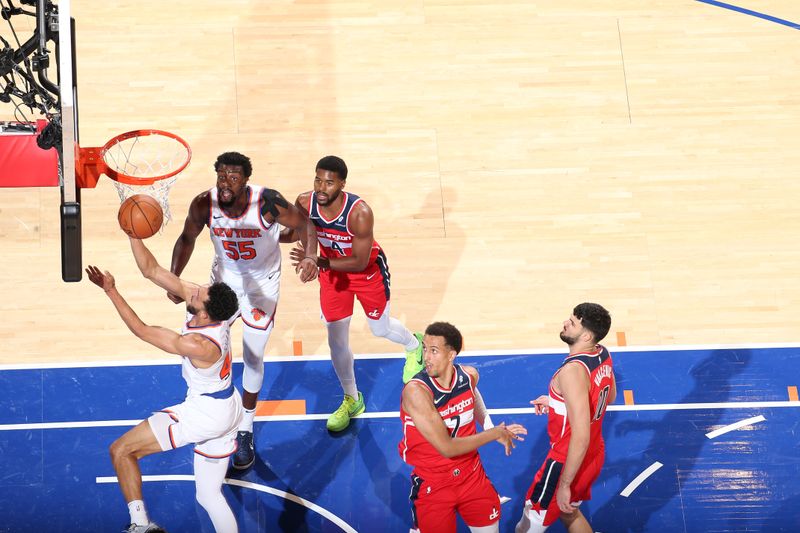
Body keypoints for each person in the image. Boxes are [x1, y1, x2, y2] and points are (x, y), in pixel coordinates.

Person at [169, 151, 317, 470]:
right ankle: (202, 407)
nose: (226, 182)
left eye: (233, 177)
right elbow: (186, 238)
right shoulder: (204, 203)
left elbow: (306, 225)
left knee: (252, 356)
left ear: (246, 180)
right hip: (224, 281)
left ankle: (245, 428)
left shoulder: (267, 202)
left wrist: (311, 257)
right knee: (200, 346)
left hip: (261, 287)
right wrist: (174, 278)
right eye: (221, 175)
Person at [86, 236, 241, 533]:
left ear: (205, 312)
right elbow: (152, 270)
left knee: (121, 451)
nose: (195, 290)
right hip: (227, 406)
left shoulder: (199, 344)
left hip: (206, 413)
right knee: (208, 496)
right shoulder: (210, 311)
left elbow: (143, 331)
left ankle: (141, 525)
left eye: (200, 294)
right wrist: (133, 233)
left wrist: (111, 290)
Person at [289, 155, 424, 432]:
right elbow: (295, 231)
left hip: (366, 274)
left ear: (342, 184)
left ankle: (414, 346)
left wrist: (317, 261)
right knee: (336, 342)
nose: (321, 187)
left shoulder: (359, 213)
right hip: (331, 277)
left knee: (380, 329)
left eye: (329, 182)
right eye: (318, 179)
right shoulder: (304, 202)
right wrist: (263, 232)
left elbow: (359, 261)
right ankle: (352, 399)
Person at [399, 321, 528, 533]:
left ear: (451, 355)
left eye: (433, 351)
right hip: (434, 482)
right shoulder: (416, 392)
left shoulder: (469, 375)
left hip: (472, 476)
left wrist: (488, 423)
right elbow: (447, 447)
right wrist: (493, 433)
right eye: (424, 349)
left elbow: (472, 393)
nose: (426, 358)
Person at [515, 303, 615, 533]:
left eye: (572, 323)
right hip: (594, 454)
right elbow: (608, 397)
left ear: (587, 335)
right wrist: (559, 402)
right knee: (569, 513)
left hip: (565, 459)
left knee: (525, 529)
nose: (565, 323)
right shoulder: (602, 353)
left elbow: (580, 436)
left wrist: (564, 484)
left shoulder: (572, 371)